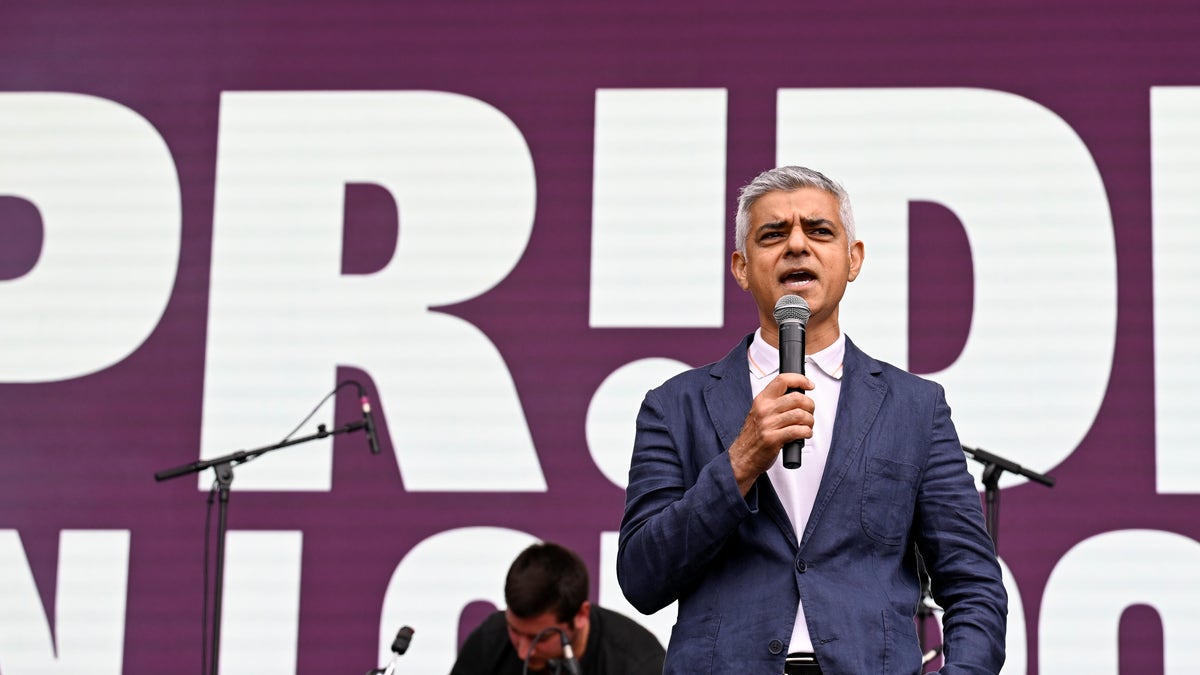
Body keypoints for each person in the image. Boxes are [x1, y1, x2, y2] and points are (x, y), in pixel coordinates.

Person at [617, 166, 1007, 674]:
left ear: (853, 259)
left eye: (819, 231)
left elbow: (973, 582)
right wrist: (739, 463)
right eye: (773, 234)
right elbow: (642, 578)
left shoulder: (915, 406)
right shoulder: (675, 406)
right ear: (740, 266)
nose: (797, 245)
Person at [450, 541, 665, 675]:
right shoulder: (491, 639)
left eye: (541, 638)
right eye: (514, 631)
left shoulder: (638, 664)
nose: (524, 652)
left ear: (581, 615)